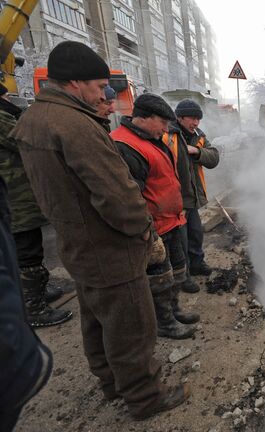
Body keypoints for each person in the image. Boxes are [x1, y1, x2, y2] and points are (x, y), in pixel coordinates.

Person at [9, 41, 189, 420]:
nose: (104, 95)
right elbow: (115, 193)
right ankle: (144, 396)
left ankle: (110, 382)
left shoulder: (32, 120)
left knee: (96, 317)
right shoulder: (75, 126)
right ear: (75, 83)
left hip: (74, 240)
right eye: (98, 86)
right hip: (108, 244)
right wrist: (142, 229)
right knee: (132, 324)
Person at [111, 93, 200, 339]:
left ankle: (174, 309)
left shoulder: (151, 138)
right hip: (153, 226)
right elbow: (129, 196)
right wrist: (147, 229)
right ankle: (164, 322)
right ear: (145, 118)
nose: (165, 128)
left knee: (176, 270)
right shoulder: (125, 145)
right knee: (159, 277)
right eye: (162, 122)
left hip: (171, 220)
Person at [0, 82, 72, 327]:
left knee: (28, 248)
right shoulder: (2, 118)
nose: (10, 97)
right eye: (5, 93)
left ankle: (35, 293)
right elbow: (26, 140)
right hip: (14, 199)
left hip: (17, 195)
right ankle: (33, 310)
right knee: (26, 251)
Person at [0, 176, 53, 432]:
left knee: (28, 253)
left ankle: (35, 296)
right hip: (20, 203)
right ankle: (35, 304)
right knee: (27, 252)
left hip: (19, 203)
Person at [163, 99, 219, 285]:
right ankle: (183, 275)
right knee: (180, 240)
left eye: (198, 119)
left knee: (196, 234)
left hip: (192, 197)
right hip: (175, 199)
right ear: (179, 117)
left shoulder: (198, 136)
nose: (196, 123)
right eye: (192, 118)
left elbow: (213, 158)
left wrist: (196, 151)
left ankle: (197, 264)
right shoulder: (167, 135)